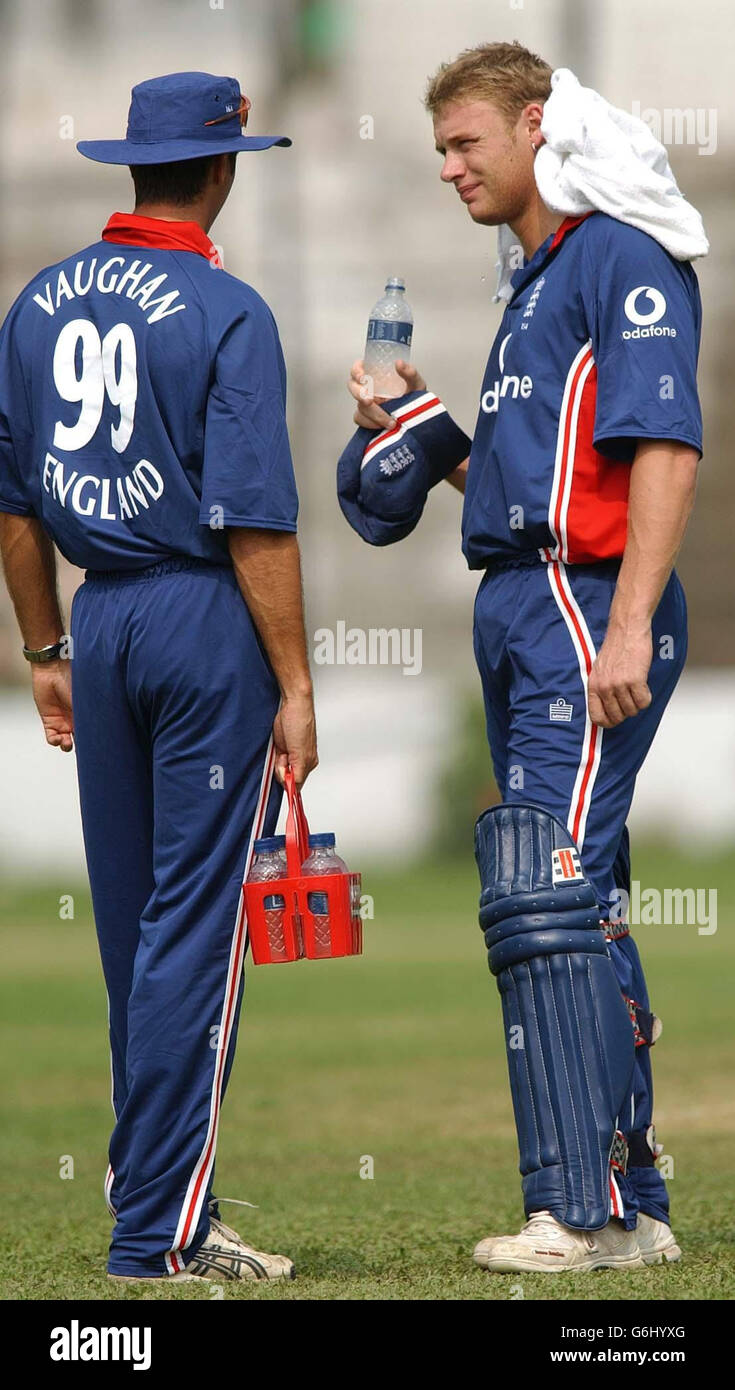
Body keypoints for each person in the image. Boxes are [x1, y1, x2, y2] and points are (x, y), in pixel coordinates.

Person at [338, 42, 703, 1272]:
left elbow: (665, 451)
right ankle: (634, 1199)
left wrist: (630, 619)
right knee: (576, 896)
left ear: (537, 126)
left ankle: (582, 1214)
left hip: (581, 607)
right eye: (440, 149)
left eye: (465, 144)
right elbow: (512, 483)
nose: (449, 168)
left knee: (542, 890)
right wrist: (417, 427)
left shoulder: (617, 255)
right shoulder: (535, 279)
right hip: (528, 599)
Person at [0, 71, 317, 1284]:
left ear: (133, 165)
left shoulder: (35, 303)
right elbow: (257, 522)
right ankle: (161, 1232)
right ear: (224, 169)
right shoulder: (227, 307)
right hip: (199, 620)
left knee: (137, 933)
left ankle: (164, 1199)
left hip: (99, 619)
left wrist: (44, 654)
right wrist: (295, 682)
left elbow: (14, 501)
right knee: (194, 926)